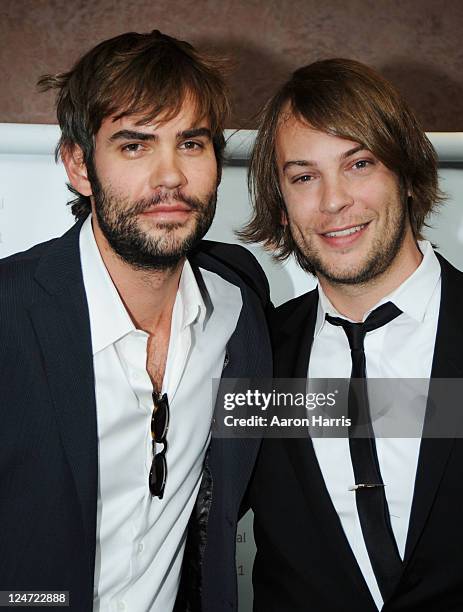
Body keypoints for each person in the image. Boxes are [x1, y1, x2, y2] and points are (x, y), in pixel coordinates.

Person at [0, 30, 271, 612]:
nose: (170, 175)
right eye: (134, 145)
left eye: (191, 144)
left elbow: (304, 421)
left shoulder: (239, 298)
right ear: (78, 164)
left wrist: (440, 406)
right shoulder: (10, 312)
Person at [241, 58, 463, 611]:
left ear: (406, 175)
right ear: (282, 205)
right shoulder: (251, 356)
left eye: (359, 163)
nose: (333, 200)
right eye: (303, 176)